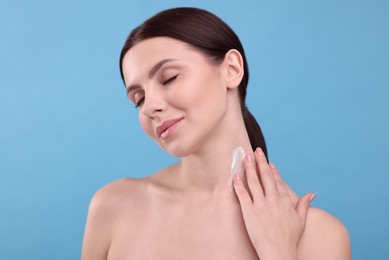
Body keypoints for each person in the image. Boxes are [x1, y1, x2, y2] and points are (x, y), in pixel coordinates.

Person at [81, 7, 350, 260]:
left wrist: (277, 252)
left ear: (231, 69)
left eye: (169, 77)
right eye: (138, 99)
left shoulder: (319, 236)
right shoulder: (114, 206)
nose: (150, 107)